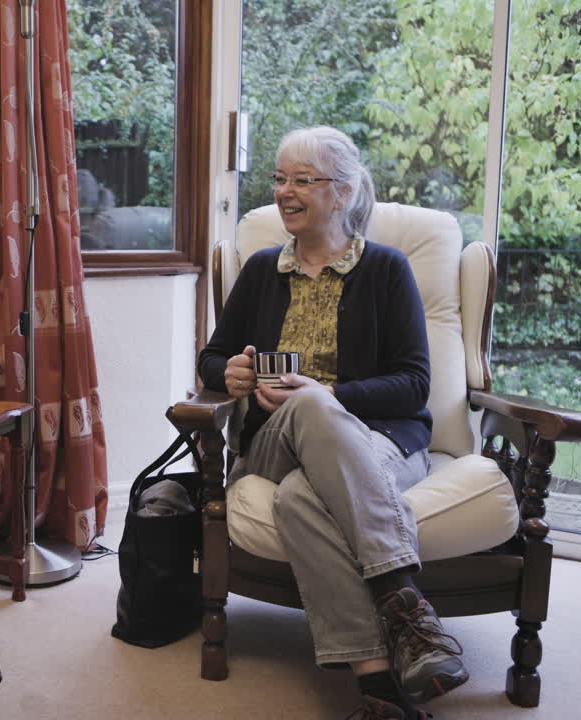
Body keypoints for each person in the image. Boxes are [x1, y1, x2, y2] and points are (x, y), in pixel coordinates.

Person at [198, 126, 466, 720]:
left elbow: (414, 384)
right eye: (279, 179)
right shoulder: (263, 269)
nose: (284, 193)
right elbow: (211, 359)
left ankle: (377, 689)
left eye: (302, 180)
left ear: (342, 194)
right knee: (310, 407)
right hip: (273, 442)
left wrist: (328, 393)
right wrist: (235, 374)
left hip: (379, 442)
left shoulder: (388, 271)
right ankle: (402, 598)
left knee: (299, 498)